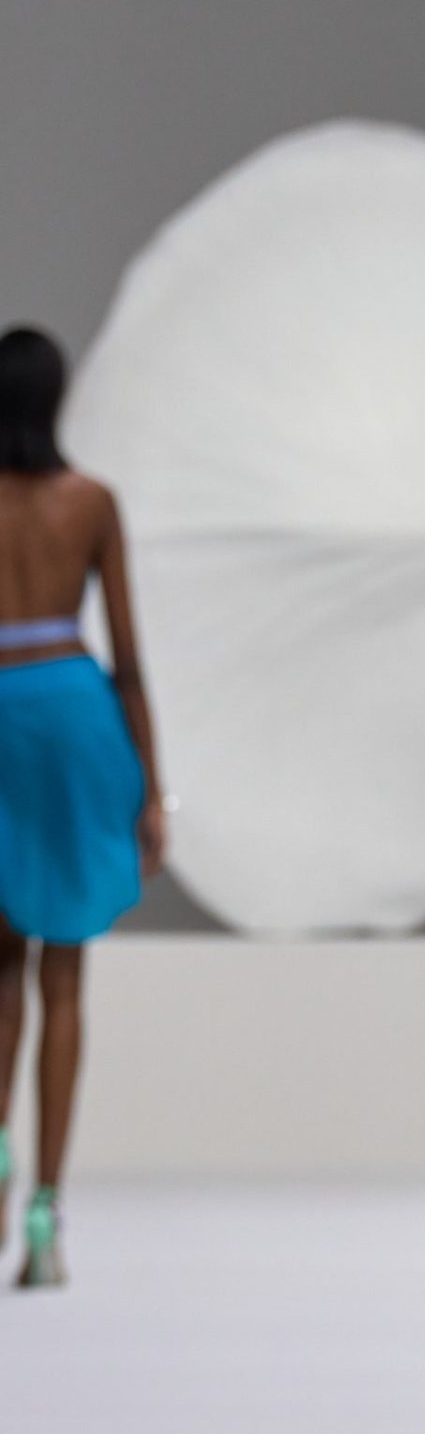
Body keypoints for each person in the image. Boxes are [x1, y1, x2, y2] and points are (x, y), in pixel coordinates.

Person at [0, 326, 167, 1287]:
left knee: (0, 972)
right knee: (64, 975)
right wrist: (150, 785)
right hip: (73, 711)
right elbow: (130, 658)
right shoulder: (90, 503)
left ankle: (0, 1162)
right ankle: (45, 1213)